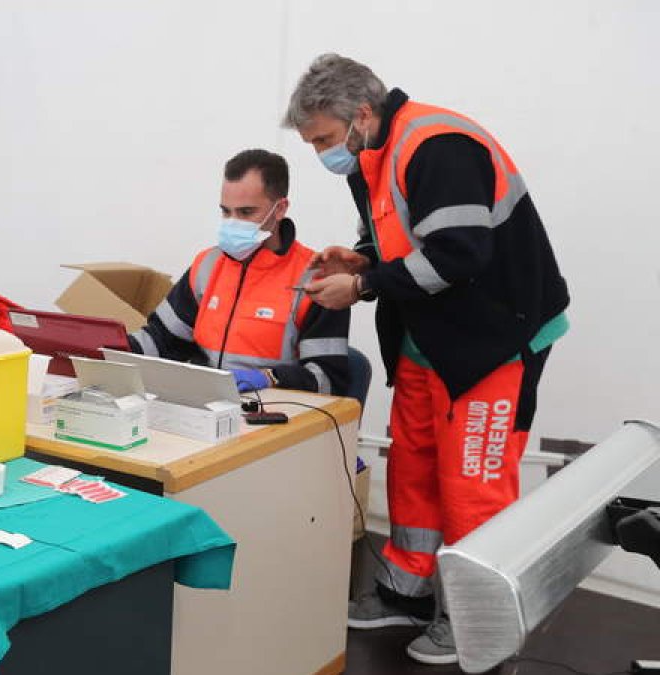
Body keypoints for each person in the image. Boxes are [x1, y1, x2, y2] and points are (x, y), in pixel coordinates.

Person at [283, 54, 570, 665]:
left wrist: (361, 288)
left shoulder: (438, 144)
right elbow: (398, 237)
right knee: (413, 464)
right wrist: (360, 259)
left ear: (361, 113)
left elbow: (460, 253)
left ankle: (476, 624)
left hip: (496, 335)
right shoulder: (369, 156)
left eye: (325, 140)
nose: (322, 156)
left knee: (474, 481)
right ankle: (407, 591)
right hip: (431, 335)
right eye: (312, 145)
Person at [128, 149, 350, 396]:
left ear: (279, 209)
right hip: (205, 407)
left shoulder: (316, 277)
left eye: (245, 212)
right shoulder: (207, 265)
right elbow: (162, 340)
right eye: (226, 211)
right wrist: (110, 349)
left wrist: (270, 378)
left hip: (276, 415)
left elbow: (328, 379)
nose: (233, 222)